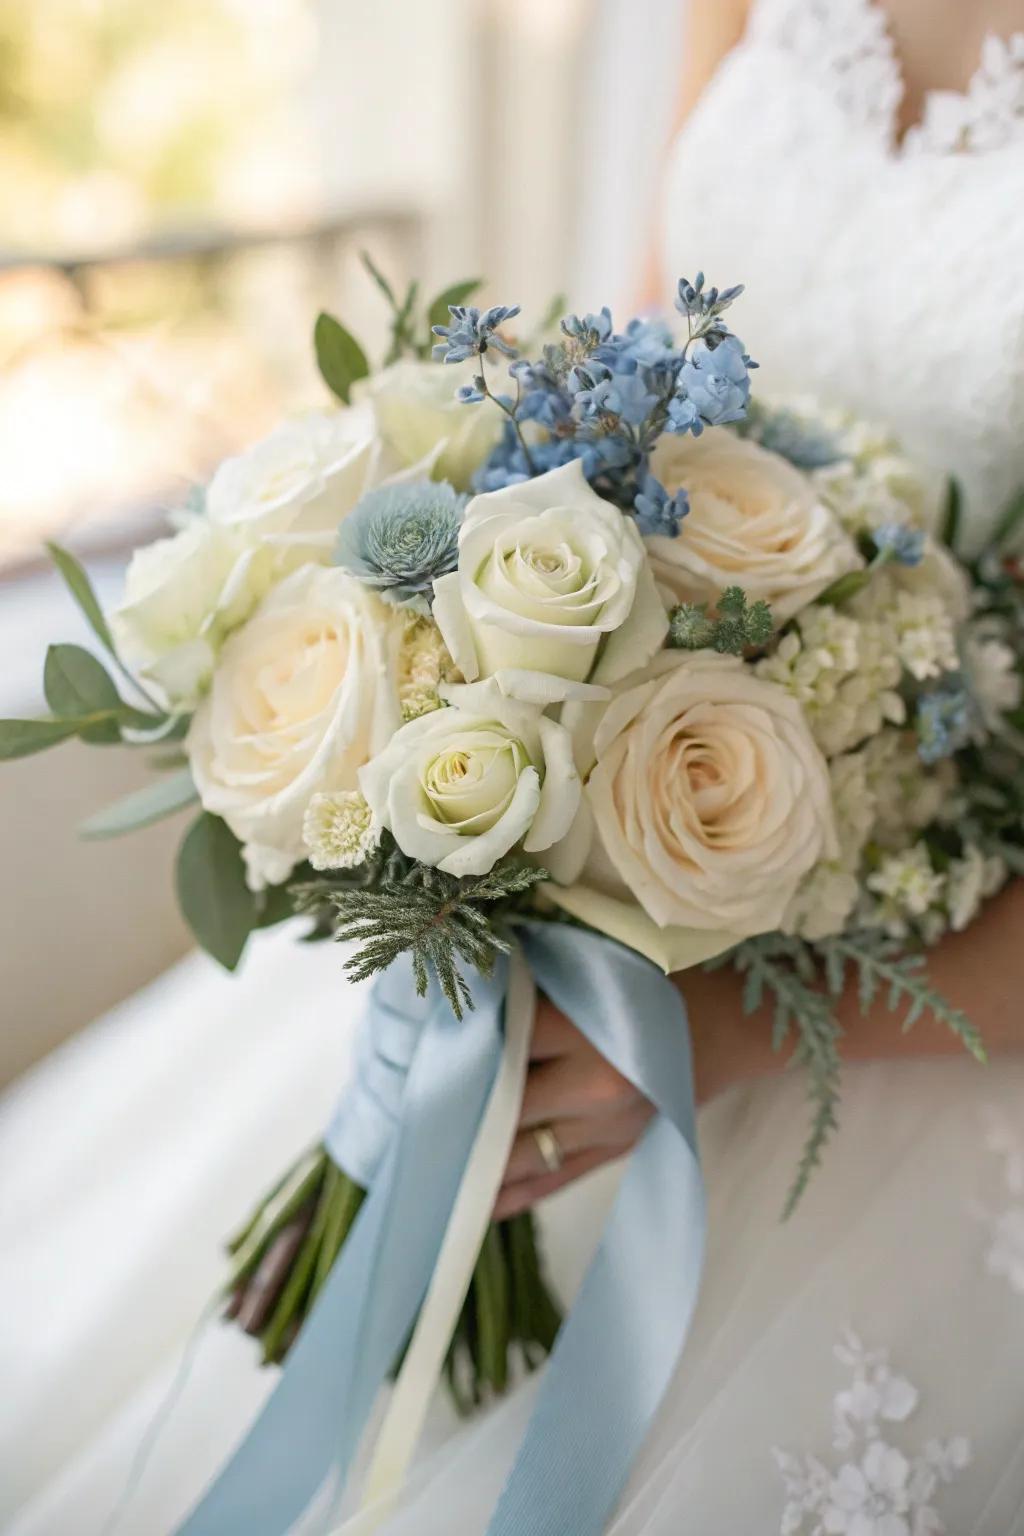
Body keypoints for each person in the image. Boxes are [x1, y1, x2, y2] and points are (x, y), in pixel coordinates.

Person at [3, 3, 1023, 1532]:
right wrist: (461, 692)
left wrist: (701, 1035)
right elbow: (632, 373)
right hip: (596, 878)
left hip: (922, 1001)